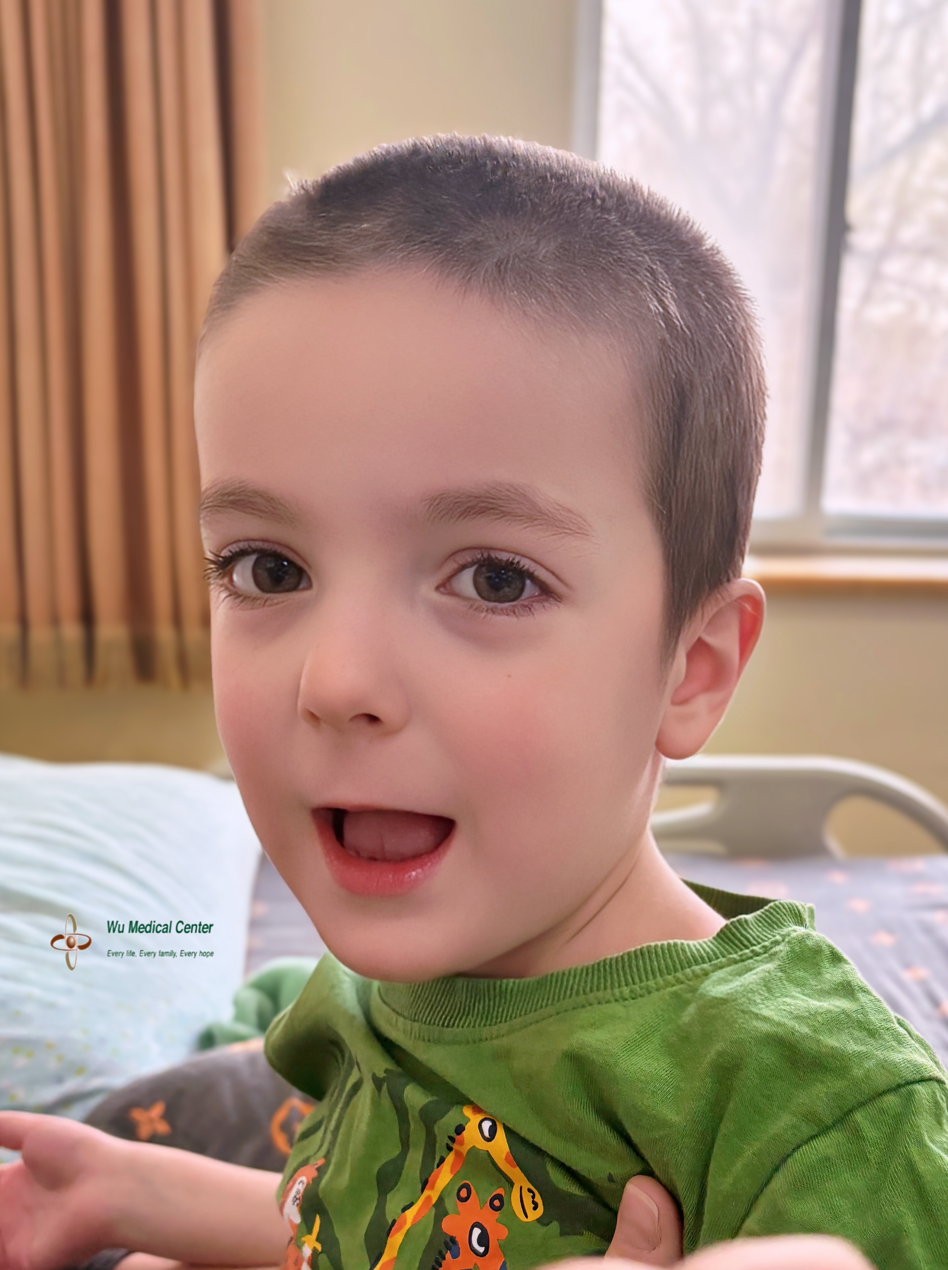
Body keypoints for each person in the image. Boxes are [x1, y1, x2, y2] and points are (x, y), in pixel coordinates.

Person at [1, 135, 945, 1270]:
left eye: (495, 580)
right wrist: (130, 1192)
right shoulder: (391, 974)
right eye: (268, 568)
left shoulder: (807, 1114)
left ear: (691, 669)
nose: (336, 682)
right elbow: (358, 1224)